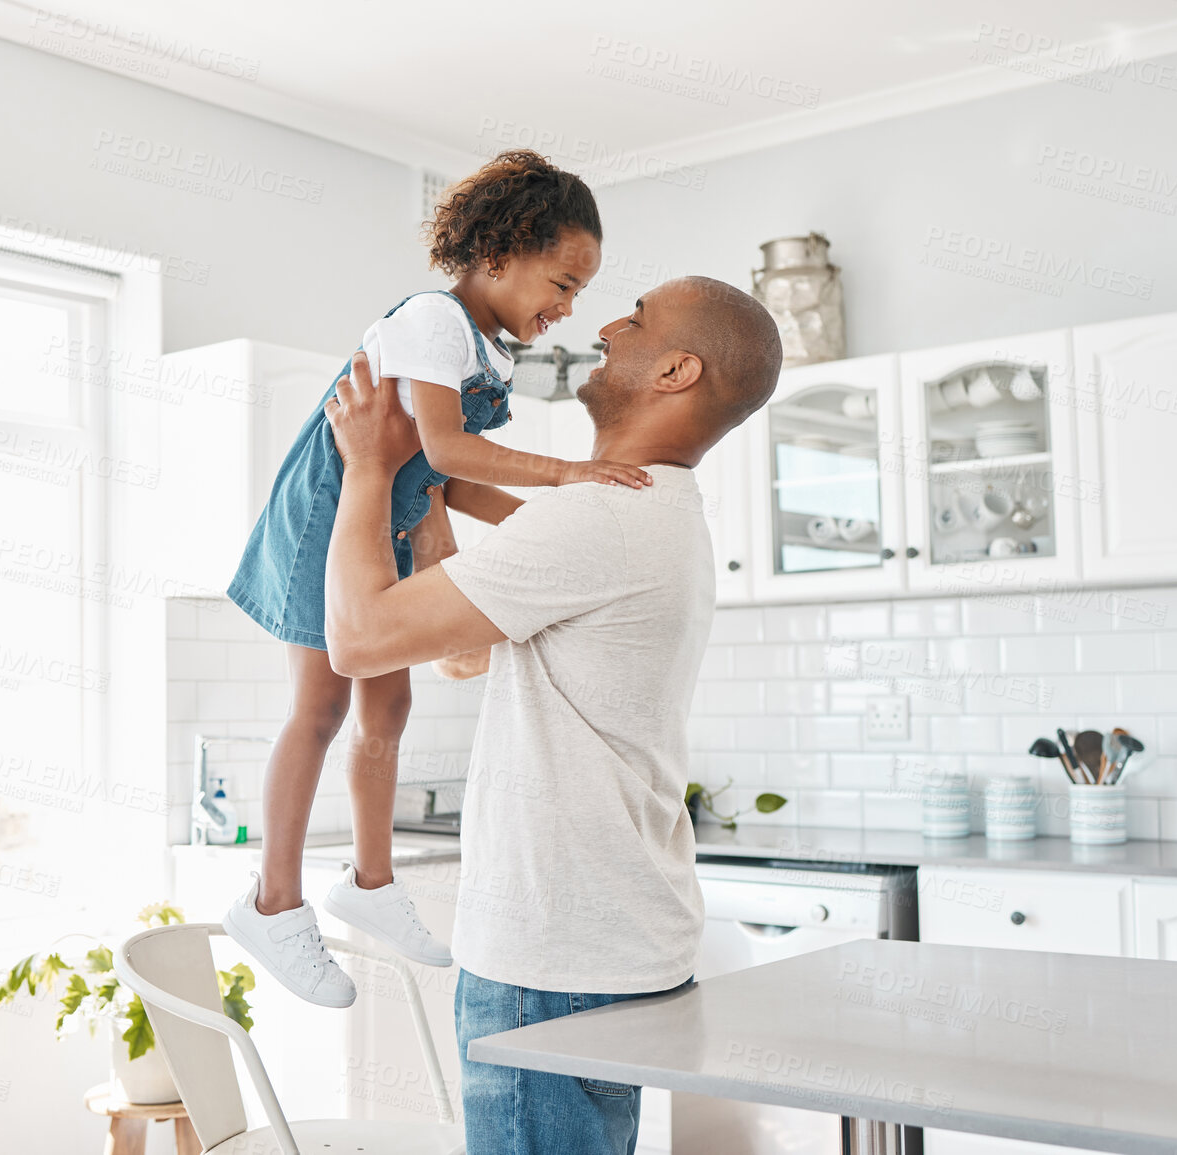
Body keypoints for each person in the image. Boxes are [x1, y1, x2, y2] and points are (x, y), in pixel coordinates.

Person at [320, 276, 784, 1154]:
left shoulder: (602, 518)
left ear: (677, 370)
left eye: (637, 318)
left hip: (552, 955)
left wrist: (371, 469)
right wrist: (428, 511)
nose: (606, 323)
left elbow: (357, 637)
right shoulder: (640, 512)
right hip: (595, 941)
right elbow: (461, 651)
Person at [222, 149, 652, 1009]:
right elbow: (451, 451)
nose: (565, 310)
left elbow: (446, 481)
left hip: (382, 506)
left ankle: (369, 884)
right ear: (499, 255)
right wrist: (566, 476)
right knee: (320, 708)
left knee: (391, 705)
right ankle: (270, 902)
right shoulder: (431, 320)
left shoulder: (481, 351)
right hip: (330, 505)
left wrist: (552, 527)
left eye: (576, 295)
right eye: (560, 284)